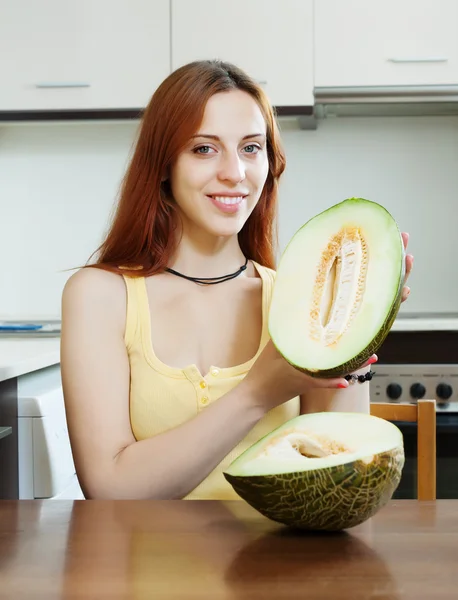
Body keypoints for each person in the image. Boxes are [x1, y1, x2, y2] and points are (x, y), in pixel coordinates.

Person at [60, 59, 413, 501]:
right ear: (164, 165)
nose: (235, 172)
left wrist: (355, 335)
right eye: (204, 148)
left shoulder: (295, 301)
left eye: (251, 147)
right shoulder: (99, 296)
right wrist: (257, 393)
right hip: (149, 569)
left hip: (274, 567)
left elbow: (341, 477)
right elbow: (110, 489)